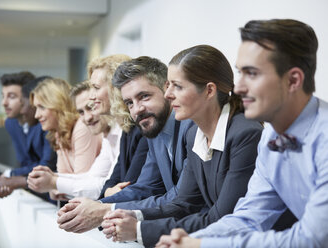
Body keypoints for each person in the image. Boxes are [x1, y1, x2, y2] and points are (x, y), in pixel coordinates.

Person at [156, 19, 328, 248]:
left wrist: (202, 246)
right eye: (240, 73)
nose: (238, 88)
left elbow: (311, 240)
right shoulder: (270, 137)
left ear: (293, 80)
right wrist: (196, 239)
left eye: (252, 74)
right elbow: (249, 216)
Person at [101, 45, 263, 247]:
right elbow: (183, 203)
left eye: (177, 86)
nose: (167, 94)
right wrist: (129, 215)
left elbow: (221, 217)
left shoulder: (246, 134)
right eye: (168, 86)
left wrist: (138, 230)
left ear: (209, 90)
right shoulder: (194, 134)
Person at [56, 56, 194, 234]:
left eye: (144, 96)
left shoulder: (190, 125)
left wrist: (104, 211)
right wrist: (96, 205)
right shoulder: (152, 128)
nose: (137, 109)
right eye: (129, 103)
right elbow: (146, 187)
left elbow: (180, 198)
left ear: (167, 89)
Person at [26, 78, 102, 200]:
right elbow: (59, 186)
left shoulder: (82, 127)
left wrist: (56, 184)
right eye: (36, 108)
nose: (36, 115)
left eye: (42, 107)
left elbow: (80, 187)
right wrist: (57, 184)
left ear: (57, 104)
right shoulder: (59, 133)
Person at [86, 54, 149, 198]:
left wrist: (108, 192)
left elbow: (127, 187)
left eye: (96, 88)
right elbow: (111, 182)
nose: (91, 96)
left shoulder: (141, 127)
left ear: (115, 88)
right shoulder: (126, 127)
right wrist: (108, 191)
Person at [0, 72, 56, 199]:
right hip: (35, 189)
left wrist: (12, 176)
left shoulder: (46, 123)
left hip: (53, 191)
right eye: (3, 96)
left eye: (12, 97)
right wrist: (12, 179)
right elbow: (24, 161)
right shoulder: (11, 123)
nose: (4, 103)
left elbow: (47, 164)